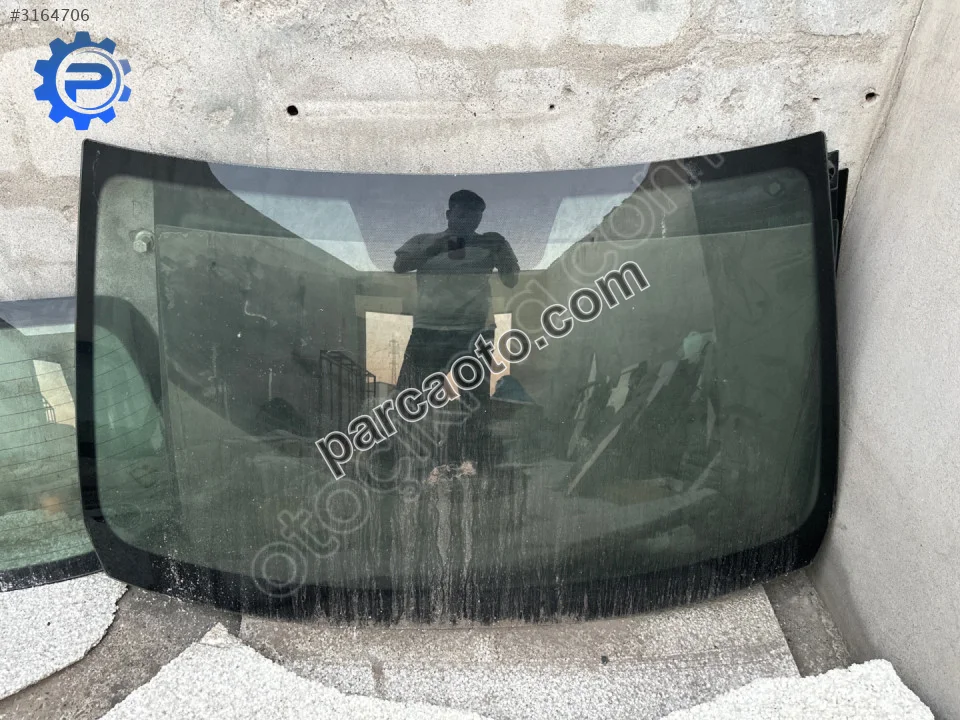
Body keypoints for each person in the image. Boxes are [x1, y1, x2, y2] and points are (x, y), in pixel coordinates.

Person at [393, 189, 519, 467]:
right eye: (462, 214)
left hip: (475, 332)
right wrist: (435, 248)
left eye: (475, 216)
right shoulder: (424, 240)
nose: (468, 221)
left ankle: (472, 462)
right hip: (428, 331)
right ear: (449, 214)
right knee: (409, 397)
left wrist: (501, 250)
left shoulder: (490, 243)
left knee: (476, 402)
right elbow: (399, 266)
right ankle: (399, 458)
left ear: (480, 218)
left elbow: (511, 281)